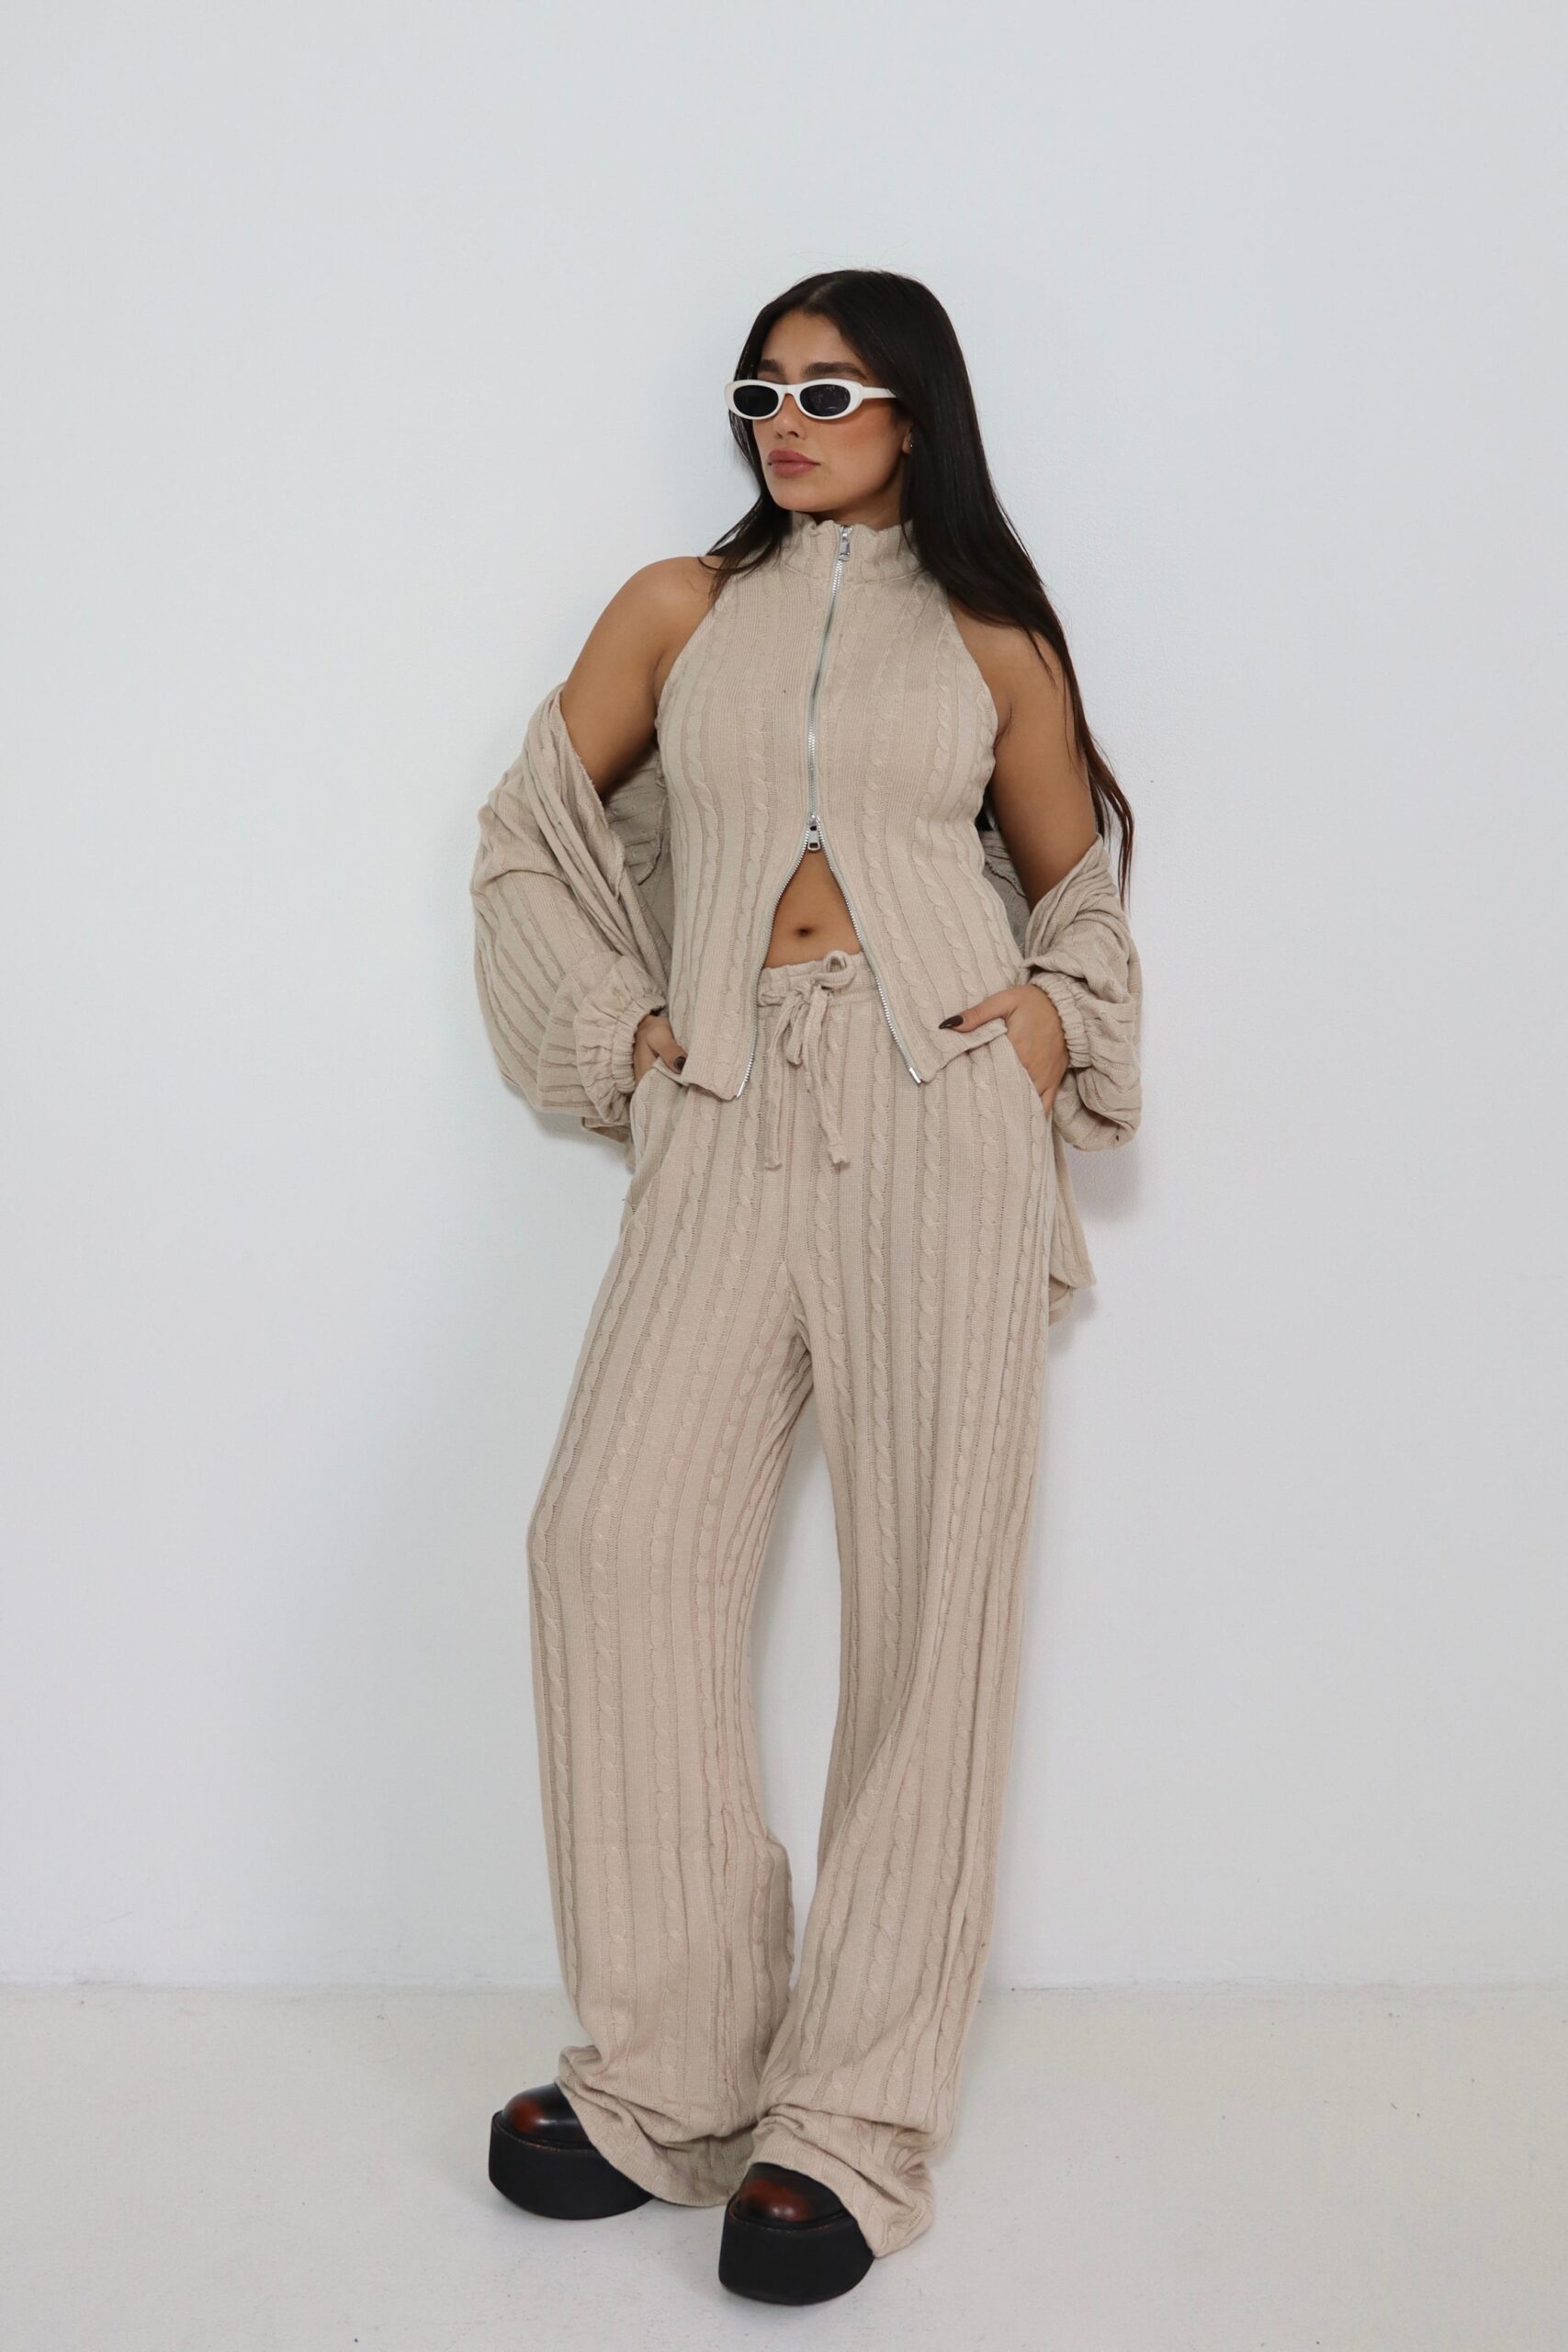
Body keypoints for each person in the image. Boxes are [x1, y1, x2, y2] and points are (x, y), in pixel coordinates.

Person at [468, 267, 1144, 2306]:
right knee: (607, 1540)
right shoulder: (678, 609)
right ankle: (669, 2074)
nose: (786, 417)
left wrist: (1046, 1028)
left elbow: (1078, 893)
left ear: (914, 409)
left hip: (941, 1113)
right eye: (761, 388)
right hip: (723, 1101)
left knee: (929, 1603)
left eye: (829, 389)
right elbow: (526, 836)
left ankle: (847, 2121)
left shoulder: (997, 640)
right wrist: (622, 1032)